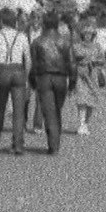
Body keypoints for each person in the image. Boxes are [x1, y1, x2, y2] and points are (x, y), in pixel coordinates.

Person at [0, 7, 32, 154]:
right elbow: (28, 59)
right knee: (18, 111)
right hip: (18, 71)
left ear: (1, 21)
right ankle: (18, 144)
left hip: (2, 70)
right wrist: (26, 77)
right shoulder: (22, 36)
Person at [30, 16, 76, 153]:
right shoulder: (65, 42)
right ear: (57, 26)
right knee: (57, 110)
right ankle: (55, 140)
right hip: (61, 79)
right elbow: (72, 64)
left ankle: (53, 144)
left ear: (44, 25)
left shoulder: (37, 42)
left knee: (49, 111)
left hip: (44, 77)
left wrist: (32, 82)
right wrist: (72, 83)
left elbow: (33, 65)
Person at [70, 22, 105, 136]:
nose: (88, 35)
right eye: (85, 33)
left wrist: (96, 61)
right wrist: (85, 59)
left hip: (93, 76)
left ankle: (86, 123)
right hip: (81, 75)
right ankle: (81, 124)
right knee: (81, 100)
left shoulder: (98, 47)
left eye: (90, 34)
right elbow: (74, 57)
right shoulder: (77, 46)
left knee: (91, 102)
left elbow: (102, 60)